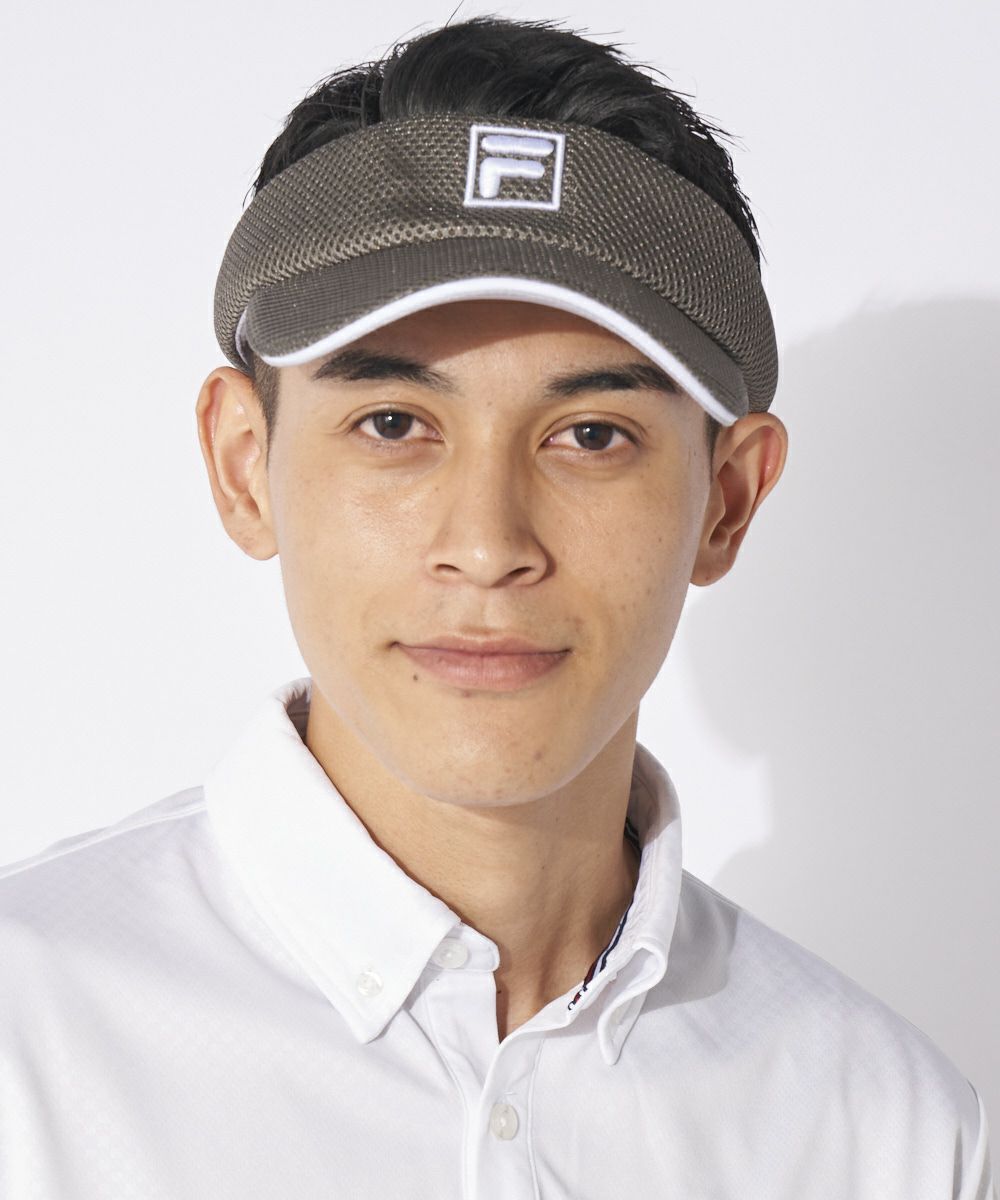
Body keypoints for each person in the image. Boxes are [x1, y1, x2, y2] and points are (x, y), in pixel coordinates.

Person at [0, 14, 994, 1199]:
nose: (486, 545)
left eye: (591, 435)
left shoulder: (887, 1134)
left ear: (727, 501)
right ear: (243, 464)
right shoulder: (29, 1042)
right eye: (392, 424)